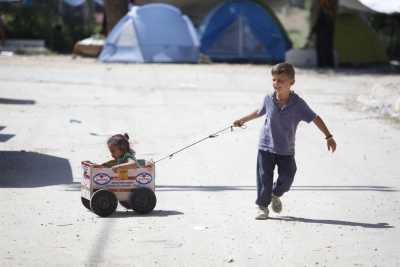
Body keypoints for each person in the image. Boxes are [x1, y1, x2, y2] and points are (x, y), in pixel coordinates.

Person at [233, 62, 337, 220]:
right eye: (274, 80)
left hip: (286, 150)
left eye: (281, 80)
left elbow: (315, 118)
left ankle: (275, 193)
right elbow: (259, 111)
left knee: (288, 176)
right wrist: (242, 120)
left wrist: (328, 136)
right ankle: (262, 207)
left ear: (291, 82)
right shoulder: (268, 98)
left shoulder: (298, 104)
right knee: (264, 179)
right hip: (265, 147)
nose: (276, 83)